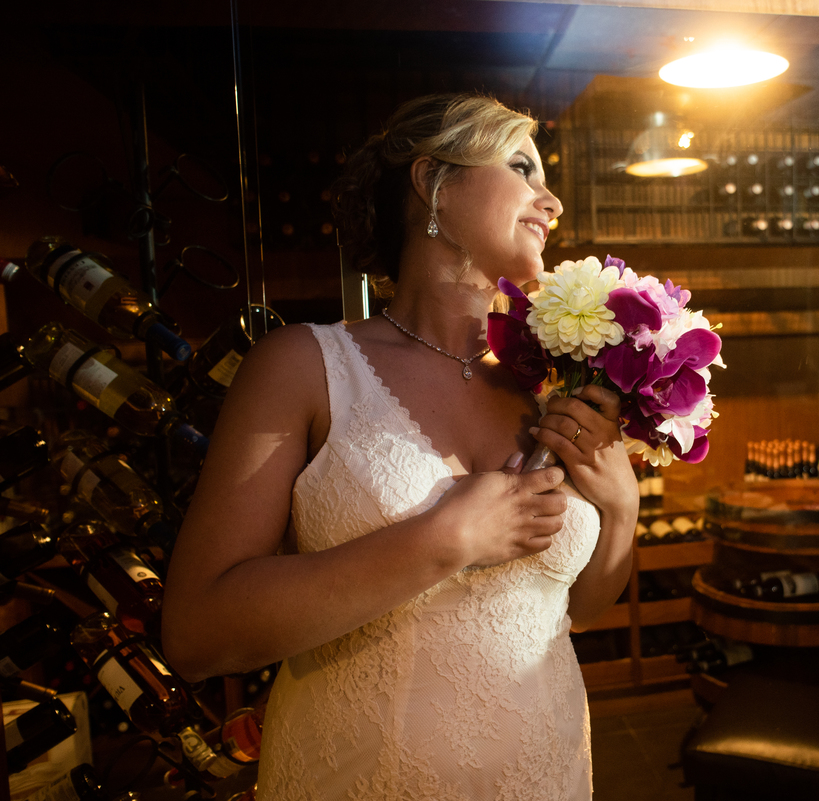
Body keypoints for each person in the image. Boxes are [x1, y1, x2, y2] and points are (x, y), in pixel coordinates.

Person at [161, 94, 639, 800]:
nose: (552, 201)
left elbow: (578, 611)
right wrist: (445, 539)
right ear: (432, 182)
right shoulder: (304, 366)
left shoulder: (551, 384)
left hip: (549, 773)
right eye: (521, 167)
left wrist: (622, 505)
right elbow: (196, 634)